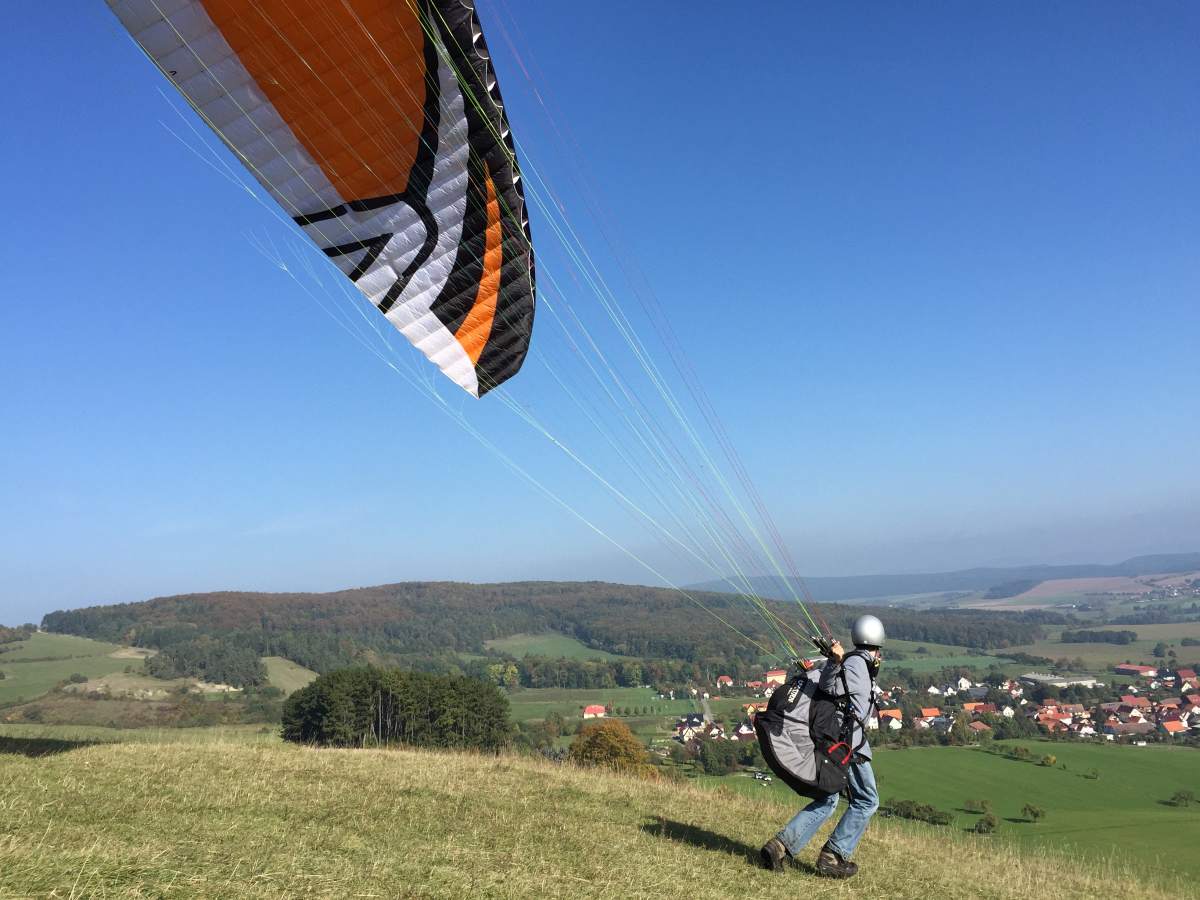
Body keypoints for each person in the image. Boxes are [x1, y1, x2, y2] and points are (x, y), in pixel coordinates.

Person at [760, 614, 884, 878]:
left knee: (828, 797)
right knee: (867, 800)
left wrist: (836, 663)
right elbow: (847, 701)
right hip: (848, 747)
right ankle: (833, 855)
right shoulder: (859, 665)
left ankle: (779, 846)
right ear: (877, 646)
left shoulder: (850, 661)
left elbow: (831, 687)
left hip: (831, 741)